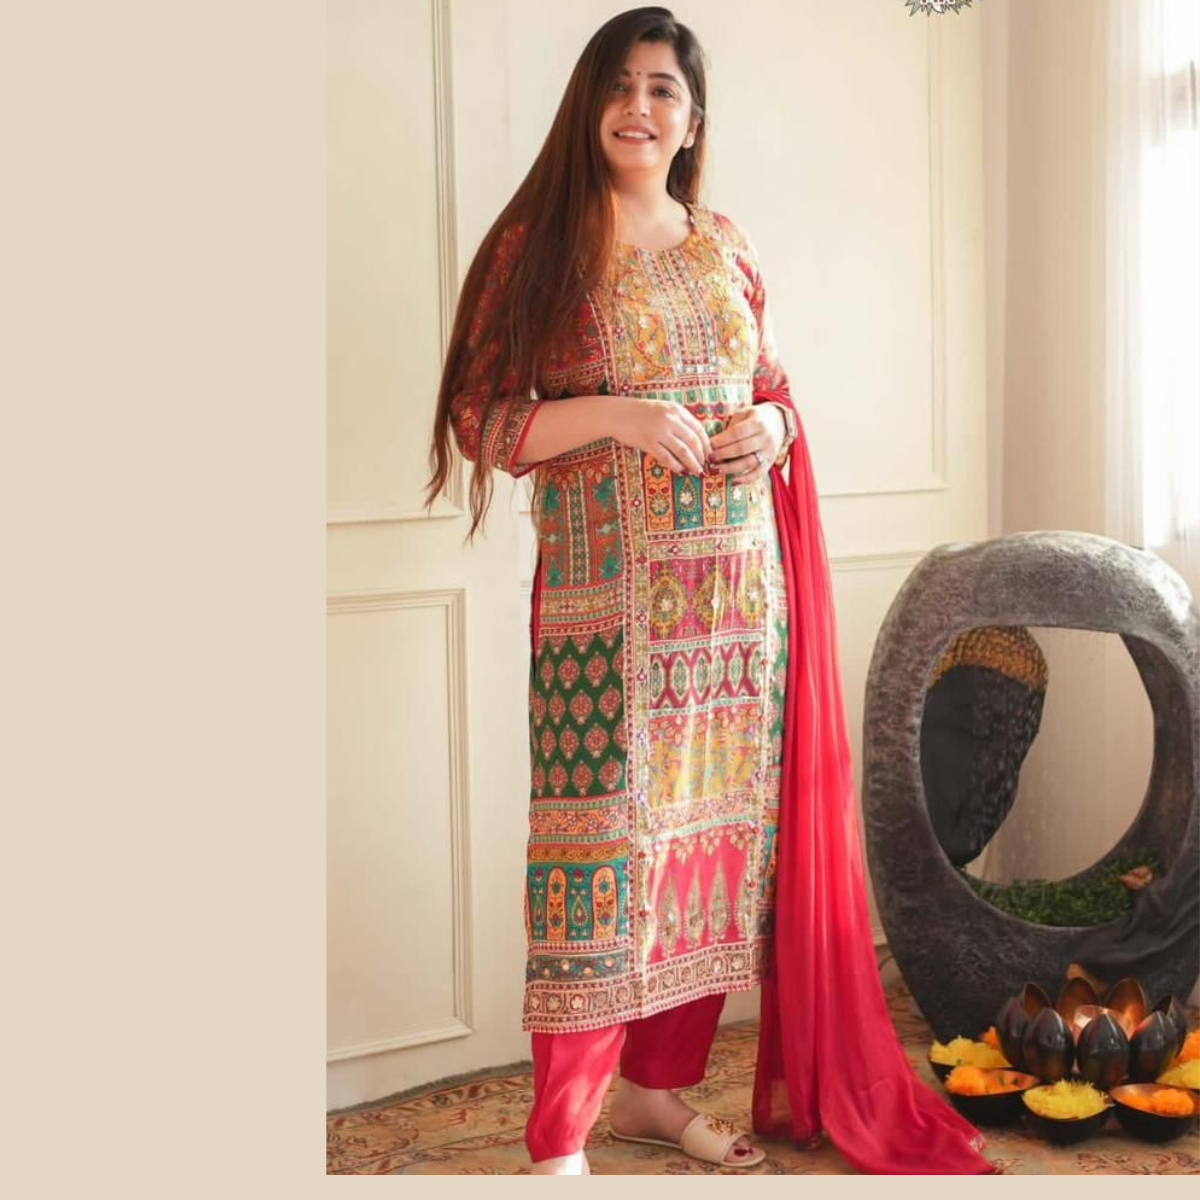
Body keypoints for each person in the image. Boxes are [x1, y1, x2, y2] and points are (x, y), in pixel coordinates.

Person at [426, 6, 997, 1177]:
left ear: (693, 120)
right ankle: (558, 1140)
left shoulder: (723, 242)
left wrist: (776, 427)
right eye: (620, 86)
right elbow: (480, 420)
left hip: (739, 617)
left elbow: (771, 383)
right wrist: (621, 416)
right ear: (588, 105)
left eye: (663, 91)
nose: (639, 108)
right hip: (604, 621)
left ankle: (650, 1092)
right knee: (599, 860)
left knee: (713, 864)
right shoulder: (537, 247)